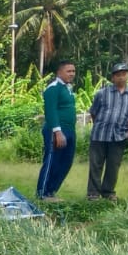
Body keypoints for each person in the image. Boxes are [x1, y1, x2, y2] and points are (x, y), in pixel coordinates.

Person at [85, 62, 128, 201]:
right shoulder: (102, 93)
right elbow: (94, 112)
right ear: (112, 78)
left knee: (113, 166)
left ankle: (108, 192)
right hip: (100, 134)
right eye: (118, 75)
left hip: (119, 136)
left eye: (124, 74)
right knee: (96, 165)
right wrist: (100, 125)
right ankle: (93, 193)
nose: (121, 77)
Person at [36, 60, 78, 201]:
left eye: (73, 71)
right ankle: (42, 192)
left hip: (70, 130)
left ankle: (51, 192)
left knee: (66, 162)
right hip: (56, 131)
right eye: (68, 71)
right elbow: (51, 111)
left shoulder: (68, 88)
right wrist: (57, 132)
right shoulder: (53, 88)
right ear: (59, 72)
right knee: (52, 161)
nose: (72, 73)